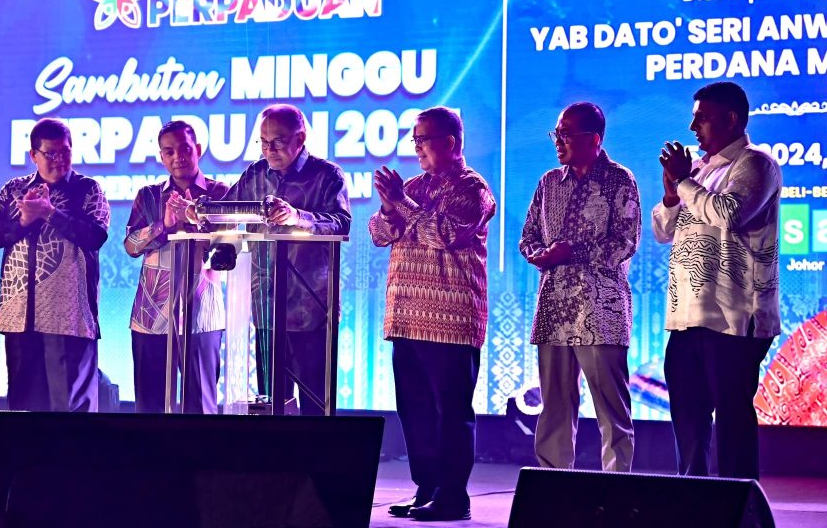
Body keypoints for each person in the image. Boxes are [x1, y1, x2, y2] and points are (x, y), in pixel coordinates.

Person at [369, 106, 495, 522]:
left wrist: (400, 202)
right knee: (416, 412)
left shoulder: (472, 188)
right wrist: (390, 208)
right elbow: (378, 234)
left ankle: (453, 496)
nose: (417, 147)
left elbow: (443, 234)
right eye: (415, 140)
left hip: (451, 321)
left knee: (450, 413)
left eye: (423, 139)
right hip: (406, 317)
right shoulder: (413, 187)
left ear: (450, 143)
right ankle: (426, 488)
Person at [653, 81, 781, 479]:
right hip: (687, 316)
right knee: (688, 420)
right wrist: (672, 195)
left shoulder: (755, 163)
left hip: (734, 317)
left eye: (702, 119)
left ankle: (737, 504)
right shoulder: (698, 170)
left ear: (730, 119)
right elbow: (662, 230)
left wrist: (684, 183)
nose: (693, 128)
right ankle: (694, 501)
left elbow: (729, 214)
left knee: (731, 419)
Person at [519, 102, 640, 473]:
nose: (559, 141)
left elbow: (625, 243)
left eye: (567, 134)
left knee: (611, 409)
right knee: (554, 406)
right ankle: (553, 484)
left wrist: (572, 251)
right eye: (557, 133)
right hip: (553, 309)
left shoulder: (619, 180)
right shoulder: (548, 183)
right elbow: (527, 237)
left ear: (595, 139)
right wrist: (540, 255)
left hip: (600, 312)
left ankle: (616, 489)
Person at [218, 104, 351, 415]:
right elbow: (225, 213)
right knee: (271, 405)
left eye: (277, 141)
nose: (269, 150)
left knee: (315, 406)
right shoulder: (254, 174)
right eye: (263, 142)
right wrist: (199, 214)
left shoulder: (326, 175)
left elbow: (341, 223)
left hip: (311, 308)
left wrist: (297, 217)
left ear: (300, 138)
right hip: (266, 306)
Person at [0, 118, 110, 412]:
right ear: (33, 155)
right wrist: (24, 221)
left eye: (65, 152)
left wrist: (50, 213)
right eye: (50, 153)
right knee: (24, 408)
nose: (59, 159)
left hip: (70, 317)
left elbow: (95, 236)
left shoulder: (88, 189)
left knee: (70, 408)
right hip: (19, 315)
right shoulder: (15, 189)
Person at [124, 120, 228, 414]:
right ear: (161, 156)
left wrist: (195, 219)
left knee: (201, 406)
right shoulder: (148, 195)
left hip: (202, 312)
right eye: (169, 152)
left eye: (184, 149)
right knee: (150, 407)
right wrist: (164, 224)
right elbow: (131, 246)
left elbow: (228, 250)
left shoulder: (221, 193)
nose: (177, 157)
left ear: (198, 149)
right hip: (151, 313)